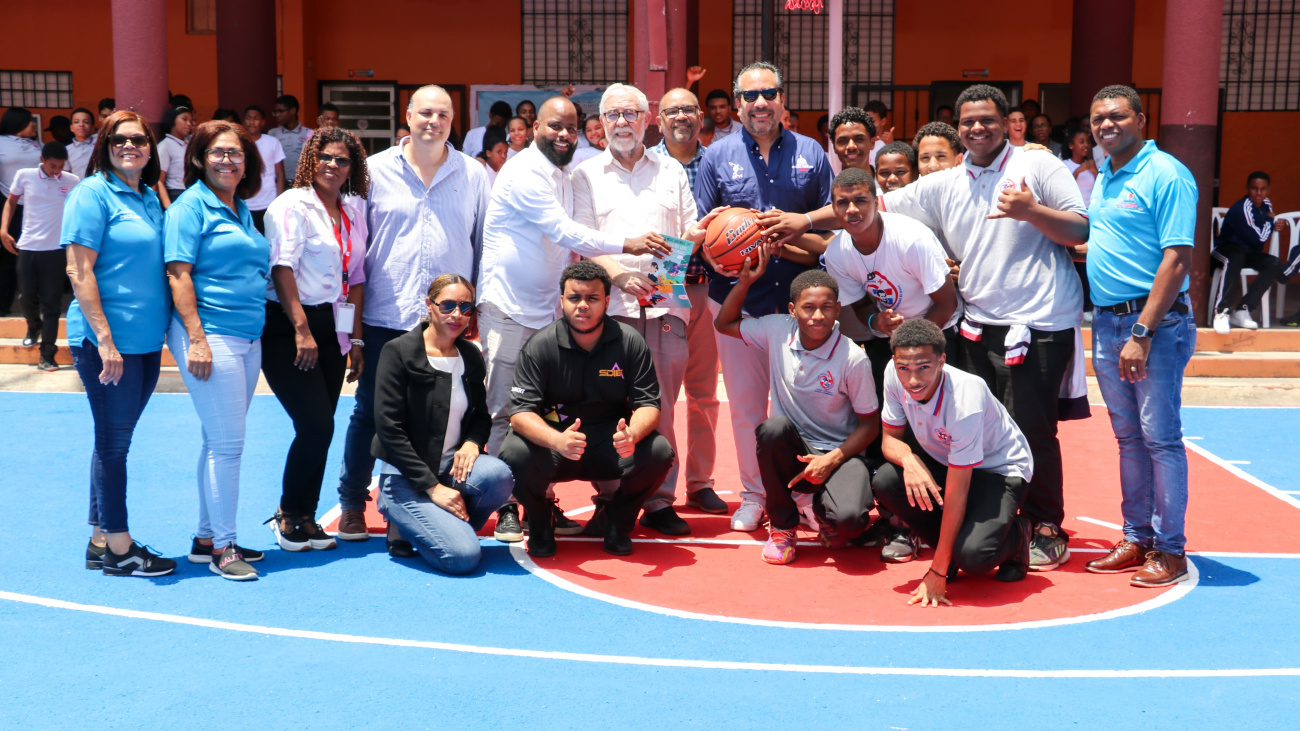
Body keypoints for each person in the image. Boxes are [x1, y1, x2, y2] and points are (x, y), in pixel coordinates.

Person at [784, 85, 1089, 570]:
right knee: (972, 429)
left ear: (1008, 121)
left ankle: (1046, 523)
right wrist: (802, 219)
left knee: (1032, 427)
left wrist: (1030, 211)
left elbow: (1080, 228)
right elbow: (866, 204)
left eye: (987, 119)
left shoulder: (1039, 166)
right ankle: (985, 517)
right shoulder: (948, 180)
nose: (976, 129)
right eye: (968, 121)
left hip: (1037, 318)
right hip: (975, 321)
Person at [478, 95, 670, 540]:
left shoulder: (562, 174)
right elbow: (564, 232)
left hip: (547, 309)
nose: (564, 135)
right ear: (532, 127)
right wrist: (629, 245)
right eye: (553, 127)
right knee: (503, 411)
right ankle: (506, 506)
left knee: (548, 412)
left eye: (571, 128)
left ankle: (539, 502)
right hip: (509, 308)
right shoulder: (524, 171)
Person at [335, 84, 490, 542]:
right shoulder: (373, 171)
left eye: (442, 114)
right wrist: (353, 329)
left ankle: (422, 496)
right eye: (425, 113)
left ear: (452, 119)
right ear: (407, 116)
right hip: (387, 314)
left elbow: (483, 243)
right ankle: (351, 502)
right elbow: (354, 252)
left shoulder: (474, 174)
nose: (433, 122)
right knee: (369, 413)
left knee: (447, 412)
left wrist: (474, 308)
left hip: (450, 319)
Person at [694, 61, 833, 531]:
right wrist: (717, 256)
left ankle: (804, 496)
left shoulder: (812, 153)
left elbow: (831, 230)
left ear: (782, 99)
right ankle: (755, 496)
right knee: (749, 408)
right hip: (738, 303)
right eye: (750, 96)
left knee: (802, 410)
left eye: (768, 93)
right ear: (737, 104)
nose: (760, 103)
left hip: (798, 305)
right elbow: (703, 227)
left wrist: (792, 237)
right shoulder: (716, 155)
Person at [573, 83, 713, 535]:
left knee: (662, 409)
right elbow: (583, 243)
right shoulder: (585, 175)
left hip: (665, 307)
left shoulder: (671, 172)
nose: (621, 123)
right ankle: (612, 499)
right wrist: (620, 276)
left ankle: (658, 500)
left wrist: (663, 280)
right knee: (608, 408)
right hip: (608, 311)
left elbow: (689, 234)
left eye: (630, 114)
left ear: (646, 118)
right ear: (601, 122)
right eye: (612, 115)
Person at [1084, 85, 1197, 588]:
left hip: (1153, 327)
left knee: (1160, 440)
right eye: (1097, 119)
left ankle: (1170, 551)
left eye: (1117, 116)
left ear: (1142, 120)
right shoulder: (1103, 175)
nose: (1106, 125)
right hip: (1106, 322)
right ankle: (1137, 538)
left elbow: (1177, 260)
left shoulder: (1167, 174)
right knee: (1129, 439)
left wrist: (1142, 331)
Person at [823, 166, 961, 560]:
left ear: (875, 200)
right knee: (895, 432)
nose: (851, 209)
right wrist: (874, 321)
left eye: (860, 200)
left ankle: (944, 516)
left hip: (936, 335)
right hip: (890, 344)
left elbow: (946, 302)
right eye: (842, 202)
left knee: (937, 435)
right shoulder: (837, 253)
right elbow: (852, 313)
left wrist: (915, 353)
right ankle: (900, 521)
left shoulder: (911, 238)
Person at [498, 261, 675, 557]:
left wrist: (631, 435)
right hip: (557, 442)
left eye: (592, 298)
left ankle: (617, 523)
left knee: (658, 451)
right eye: (574, 298)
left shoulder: (629, 342)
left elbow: (649, 405)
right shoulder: (540, 345)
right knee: (513, 452)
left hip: (610, 443)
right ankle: (541, 522)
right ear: (562, 300)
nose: (582, 306)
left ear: (607, 301)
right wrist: (557, 441)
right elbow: (520, 414)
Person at [62, 110, 174, 577]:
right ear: (105, 146)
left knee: (112, 439)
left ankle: (99, 538)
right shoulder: (92, 194)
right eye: (119, 139)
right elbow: (78, 269)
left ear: (151, 149)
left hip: (146, 342)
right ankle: (121, 548)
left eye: (140, 140)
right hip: (108, 343)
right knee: (114, 444)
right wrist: (105, 342)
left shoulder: (148, 196)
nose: (130, 146)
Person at [716, 257, 880, 564]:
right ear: (793, 310)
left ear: (838, 309)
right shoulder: (778, 330)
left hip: (838, 455)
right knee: (773, 428)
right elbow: (723, 324)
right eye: (808, 307)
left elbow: (869, 426)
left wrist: (831, 460)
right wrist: (746, 281)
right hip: (793, 451)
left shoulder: (853, 359)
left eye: (827, 307)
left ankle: (826, 515)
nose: (818, 316)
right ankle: (782, 525)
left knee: (851, 522)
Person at [164, 120, 271, 580]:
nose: (228, 161)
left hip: (247, 336)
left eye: (236, 154)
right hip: (211, 335)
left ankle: (207, 537)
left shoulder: (240, 207)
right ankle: (224, 549)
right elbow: (178, 274)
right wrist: (198, 339)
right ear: (199, 159)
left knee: (217, 440)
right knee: (229, 445)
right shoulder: (190, 208)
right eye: (219, 153)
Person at [874, 319, 1034, 606]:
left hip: (999, 471)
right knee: (886, 480)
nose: (913, 380)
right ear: (895, 362)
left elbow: (957, 492)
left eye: (924, 367)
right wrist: (909, 459)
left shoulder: (965, 398)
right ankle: (949, 550)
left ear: (942, 361)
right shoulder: (891, 373)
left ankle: (1018, 535)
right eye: (904, 368)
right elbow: (889, 441)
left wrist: (937, 571)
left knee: (973, 558)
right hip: (946, 461)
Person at [262, 126, 370, 553]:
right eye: (325, 156)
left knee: (322, 430)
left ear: (352, 168)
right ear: (310, 158)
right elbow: (282, 266)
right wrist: (302, 330)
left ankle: (306, 518)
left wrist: (356, 341)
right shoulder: (291, 205)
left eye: (342, 160)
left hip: (333, 327)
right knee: (315, 424)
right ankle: (288, 512)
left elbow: (356, 277)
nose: (332, 165)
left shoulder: (353, 211)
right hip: (290, 328)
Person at [372, 274, 515, 571]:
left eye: (465, 308)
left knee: (499, 475)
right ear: (429, 305)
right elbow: (389, 428)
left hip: (450, 472)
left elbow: (480, 416)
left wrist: (473, 443)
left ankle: (443, 525)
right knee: (462, 559)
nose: (457, 315)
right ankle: (402, 519)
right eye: (447, 305)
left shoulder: (470, 355)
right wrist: (432, 488)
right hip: (406, 480)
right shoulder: (398, 351)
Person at [650, 87, 727, 516]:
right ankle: (661, 490)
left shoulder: (717, 162)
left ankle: (700, 482)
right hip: (665, 285)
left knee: (704, 394)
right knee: (660, 394)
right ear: (658, 121)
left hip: (711, 287)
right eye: (671, 111)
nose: (680, 116)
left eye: (687, 109)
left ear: (701, 117)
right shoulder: (647, 165)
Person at [2, 142, 77, 370]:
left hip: (56, 251)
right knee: (26, 297)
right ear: (43, 160)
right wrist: (3, 230)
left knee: (52, 303)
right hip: (27, 247)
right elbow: (11, 201)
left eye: (61, 166)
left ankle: (47, 353)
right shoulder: (24, 175)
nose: (57, 171)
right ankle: (34, 324)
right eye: (53, 165)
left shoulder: (72, 182)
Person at [1212, 171, 1286, 333]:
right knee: (1236, 258)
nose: (1258, 193)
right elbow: (1259, 240)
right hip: (1225, 250)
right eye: (1254, 188)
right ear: (1247, 188)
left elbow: (1259, 240)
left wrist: (1281, 224)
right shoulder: (1243, 208)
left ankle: (1242, 310)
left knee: (1273, 263)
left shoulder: (1266, 203)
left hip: (1247, 252)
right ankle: (1222, 312)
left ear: (1268, 190)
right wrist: (1270, 220)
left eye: (1263, 189)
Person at [0, 107, 41, 315]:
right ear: (17, 124)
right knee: (8, 257)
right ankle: (3, 306)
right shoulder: (1, 143)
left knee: (34, 256)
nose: (34, 124)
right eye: (29, 121)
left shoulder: (37, 144)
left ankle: (34, 307)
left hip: (36, 207)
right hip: (9, 205)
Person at [241, 106, 286, 233]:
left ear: (263, 122)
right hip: (244, 203)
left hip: (268, 202)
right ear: (243, 121)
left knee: (268, 239)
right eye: (248, 118)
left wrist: (278, 201)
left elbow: (280, 174)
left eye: (255, 118)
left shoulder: (272, 142)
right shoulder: (238, 143)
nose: (251, 122)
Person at [268, 94, 315, 186]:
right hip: (279, 183)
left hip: (301, 184)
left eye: (280, 111)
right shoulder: (272, 133)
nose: (277, 115)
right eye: (275, 112)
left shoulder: (309, 133)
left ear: (293, 110)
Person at [156, 106, 194, 208]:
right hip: (176, 195)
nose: (189, 124)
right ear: (172, 120)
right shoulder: (165, 146)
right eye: (184, 119)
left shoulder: (189, 143)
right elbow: (159, 181)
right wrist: (169, 207)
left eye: (191, 121)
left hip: (191, 193)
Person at [828, 107, 877, 173]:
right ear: (834, 147)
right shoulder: (829, 183)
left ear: (872, 143)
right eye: (843, 141)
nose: (851, 146)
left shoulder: (886, 182)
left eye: (859, 139)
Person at [1062, 127, 1097, 205]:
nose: (1086, 145)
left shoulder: (1092, 165)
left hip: (1091, 208)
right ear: (1071, 145)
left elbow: (1100, 188)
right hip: (1074, 209)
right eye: (1082, 142)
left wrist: (1095, 171)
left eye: (1088, 142)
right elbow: (1063, 188)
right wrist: (1078, 171)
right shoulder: (1064, 165)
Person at [67, 108, 99, 179]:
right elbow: (67, 174)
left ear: (93, 127)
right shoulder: (67, 150)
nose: (81, 125)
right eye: (76, 122)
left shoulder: (100, 142)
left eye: (86, 122)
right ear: (71, 127)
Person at [864, 100, 893, 166]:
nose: (870, 124)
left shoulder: (887, 143)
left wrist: (890, 146)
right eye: (867, 120)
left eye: (873, 121)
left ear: (883, 121)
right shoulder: (860, 141)